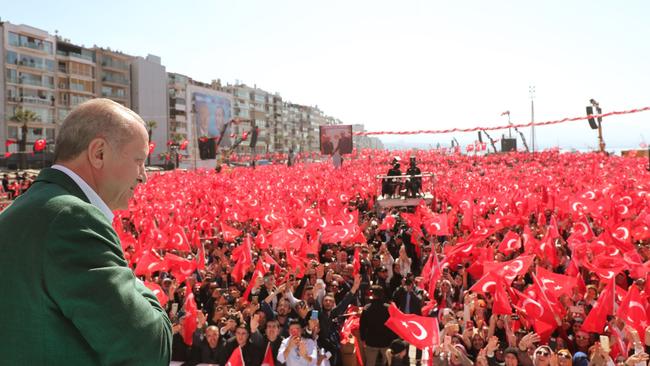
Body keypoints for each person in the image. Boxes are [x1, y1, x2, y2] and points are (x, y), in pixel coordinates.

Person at [0, 99, 172, 365]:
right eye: (139, 161)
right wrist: (140, 285)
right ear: (99, 153)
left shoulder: (20, 209)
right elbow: (149, 347)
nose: (143, 176)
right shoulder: (72, 219)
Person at [360, 285, 397, 366]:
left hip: (371, 341)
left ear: (372, 295)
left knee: (370, 363)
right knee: (388, 363)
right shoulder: (389, 308)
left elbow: (362, 326)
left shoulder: (367, 308)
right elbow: (394, 325)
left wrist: (363, 339)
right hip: (386, 341)